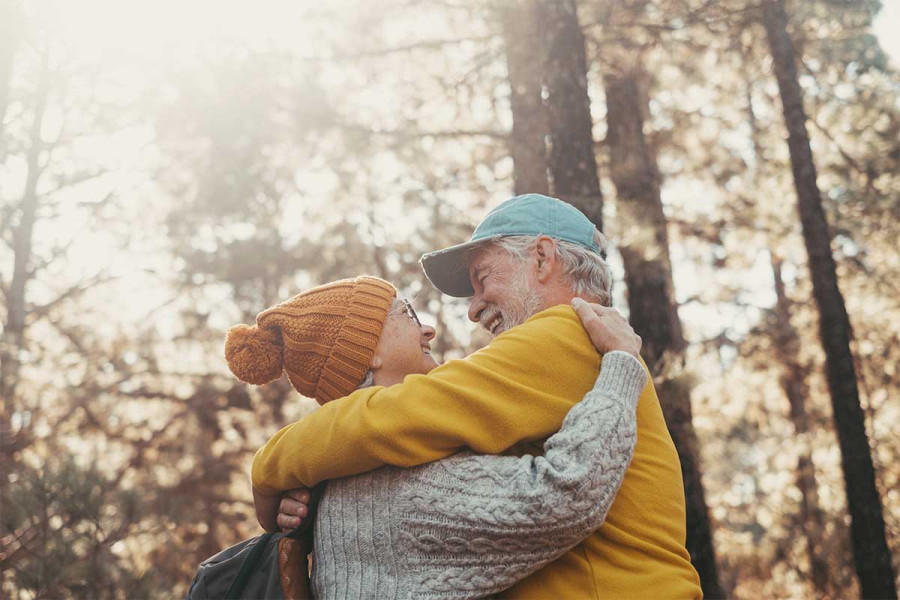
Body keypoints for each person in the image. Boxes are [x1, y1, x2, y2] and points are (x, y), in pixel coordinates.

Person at [250, 194, 703, 599]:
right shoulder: (581, 345)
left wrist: (273, 465)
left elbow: (404, 415)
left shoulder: (568, 332)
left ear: (543, 258)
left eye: (483, 278)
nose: (472, 307)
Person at [226, 276, 646, 598]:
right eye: (406, 313)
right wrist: (621, 367)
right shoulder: (393, 482)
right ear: (366, 351)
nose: (427, 329)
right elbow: (564, 495)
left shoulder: (335, 471)